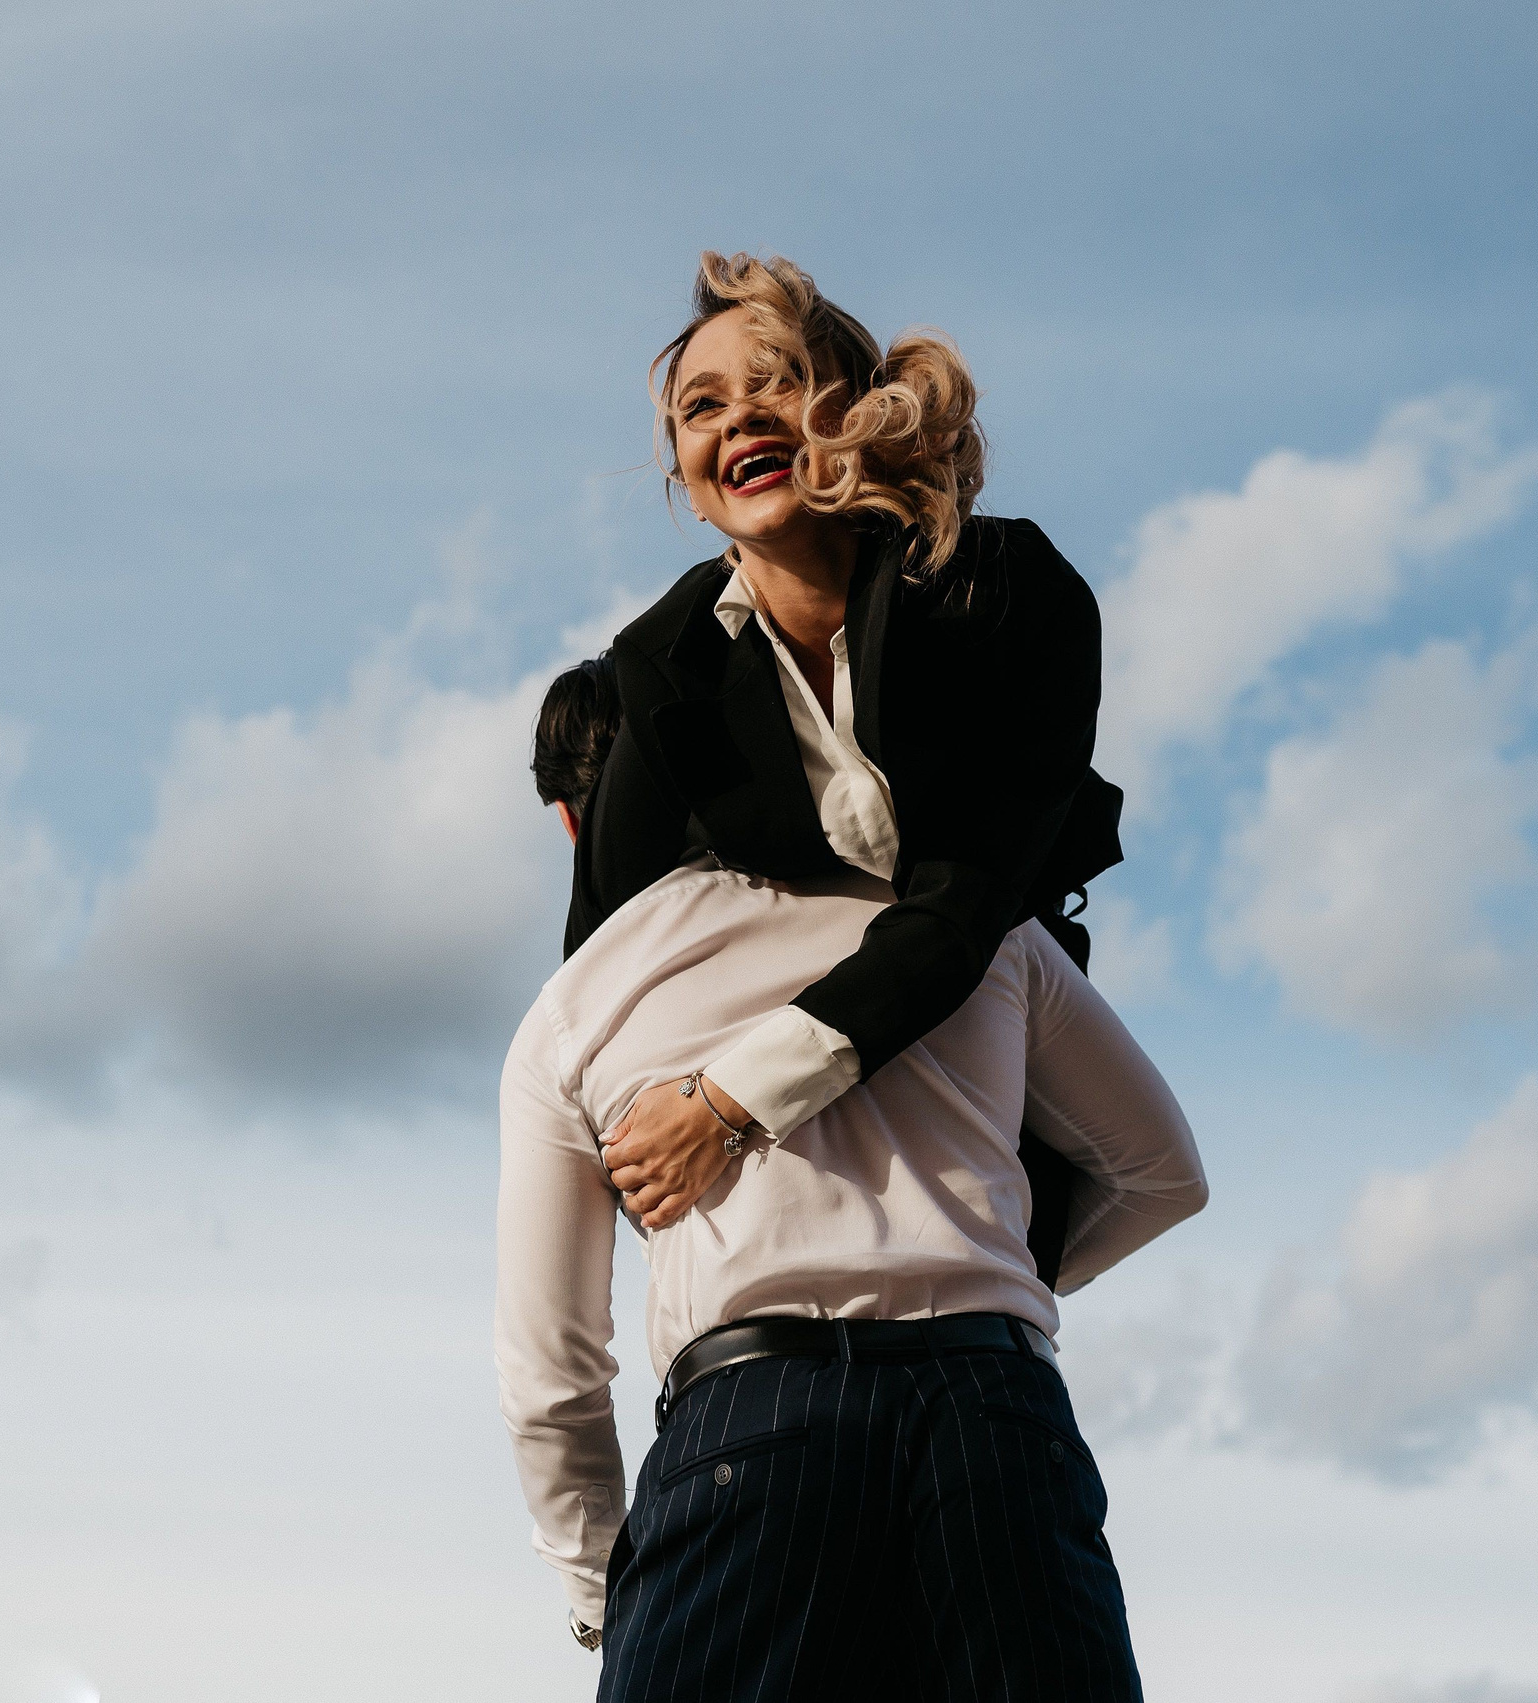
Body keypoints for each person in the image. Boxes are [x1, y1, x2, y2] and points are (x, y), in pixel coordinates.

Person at [498, 658, 1207, 1699]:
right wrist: (982, 1287)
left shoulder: (577, 1007)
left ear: (573, 826)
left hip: (751, 1421)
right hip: (989, 1409)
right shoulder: (964, 919)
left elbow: (549, 1371)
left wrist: (603, 1587)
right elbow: (1161, 1173)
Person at [570, 251, 1127, 1253]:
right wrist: (649, 1139)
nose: (737, 417)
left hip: (986, 998)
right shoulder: (664, 667)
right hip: (777, 1111)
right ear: (687, 484)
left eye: (774, 379)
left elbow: (967, 899)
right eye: (701, 408)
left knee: (1163, 1174)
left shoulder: (1007, 592)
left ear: (853, 410)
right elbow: (603, 955)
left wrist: (730, 1101)